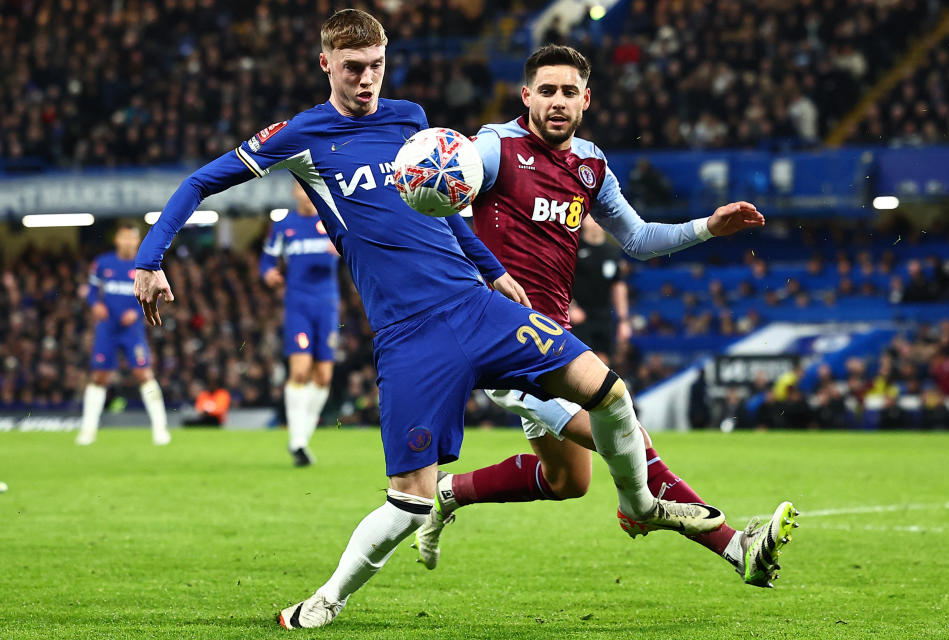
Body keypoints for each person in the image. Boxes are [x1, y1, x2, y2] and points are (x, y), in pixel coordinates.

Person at [133, 11, 727, 629]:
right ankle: (324, 601)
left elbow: (443, 209)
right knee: (410, 502)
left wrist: (490, 267)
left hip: (477, 305)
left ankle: (639, 504)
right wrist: (150, 260)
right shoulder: (301, 135)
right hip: (409, 335)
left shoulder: (411, 120)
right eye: (353, 68)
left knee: (608, 392)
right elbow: (199, 183)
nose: (367, 80)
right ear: (326, 65)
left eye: (377, 66)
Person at [414, 45, 796, 590]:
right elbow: (443, 204)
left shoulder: (590, 165)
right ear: (526, 96)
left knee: (568, 479)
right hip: (500, 340)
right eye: (546, 90)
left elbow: (637, 238)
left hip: (552, 340)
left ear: (586, 99)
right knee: (623, 430)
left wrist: (707, 226)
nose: (557, 101)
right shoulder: (495, 148)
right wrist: (481, 268)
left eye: (569, 91)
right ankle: (738, 548)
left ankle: (447, 494)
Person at [261, 181, 341, 466]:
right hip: (298, 305)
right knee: (300, 371)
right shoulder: (284, 226)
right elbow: (267, 260)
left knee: (323, 377)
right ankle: (297, 441)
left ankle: (302, 441)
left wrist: (342, 248)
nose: (306, 195)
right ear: (294, 192)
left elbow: (355, 249)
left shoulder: (332, 220)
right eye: (300, 189)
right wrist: (269, 273)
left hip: (328, 305)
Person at [77, 222, 170, 446]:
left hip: (131, 329)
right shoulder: (103, 263)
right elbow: (91, 291)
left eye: (132, 238)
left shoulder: (145, 265)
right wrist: (94, 305)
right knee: (99, 376)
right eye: (124, 237)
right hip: (107, 327)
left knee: (143, 374)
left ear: (138, 241)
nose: (128, 242)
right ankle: (88, 430)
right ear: (117, 239)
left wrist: (138, 312)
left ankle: (160, 428)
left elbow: (153, 294)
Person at [569, 214, 631, 363]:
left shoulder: (612, 252)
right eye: (591, 216)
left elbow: (618, 286)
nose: (596, 221)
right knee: (580, 362)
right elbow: (561, 280)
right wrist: (570, 307)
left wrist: (624, 320)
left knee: (603, 362)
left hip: (603, 315)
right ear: (582, 219)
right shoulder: (574, 248)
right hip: (579, 316)